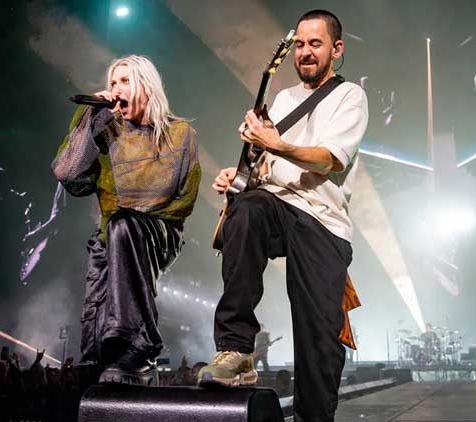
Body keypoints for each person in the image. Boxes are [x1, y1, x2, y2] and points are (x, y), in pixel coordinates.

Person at [197, 10, 368, 422]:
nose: (306, 52)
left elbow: (328, 160)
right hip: (277, 205)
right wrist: (240, 176)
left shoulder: (350, 98)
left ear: (336, 49)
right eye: (300, 45)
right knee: (247, 209)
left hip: (323, 222)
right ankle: (236, 348)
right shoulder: (284, 99)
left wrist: (274, 143)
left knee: (319, 343)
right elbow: (269, 167)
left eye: (316, 43)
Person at [52, 55, 201, 385]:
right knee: (94, 351)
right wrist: (89, 118)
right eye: (112, 82)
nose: (114, 89)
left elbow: (174, 195)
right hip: (109, 235)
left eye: (124, 81)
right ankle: (110, 367)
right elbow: (67, 174)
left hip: (159, 228)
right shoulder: (106, 132)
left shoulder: (179, 133)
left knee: (124, 225)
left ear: (146, 87)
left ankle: (144, 339)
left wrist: (127, 213)